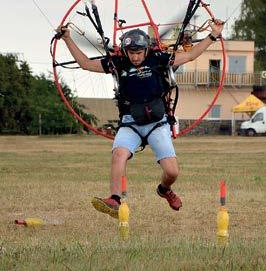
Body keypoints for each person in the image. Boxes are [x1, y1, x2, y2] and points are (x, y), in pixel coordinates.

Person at [57, 19, 224, 218]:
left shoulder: (159, 58)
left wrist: (213, 36)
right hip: (131, 122)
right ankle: (114, 200)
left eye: (139, 52)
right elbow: (85, 64)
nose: (135, 57)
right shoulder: (118, 63)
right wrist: (67, 38)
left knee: (172, 172)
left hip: (157, 123)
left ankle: (164, 189)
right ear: (126, 51)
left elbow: (190, 55)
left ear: (146, 49)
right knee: (118, 154)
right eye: (131, 53)